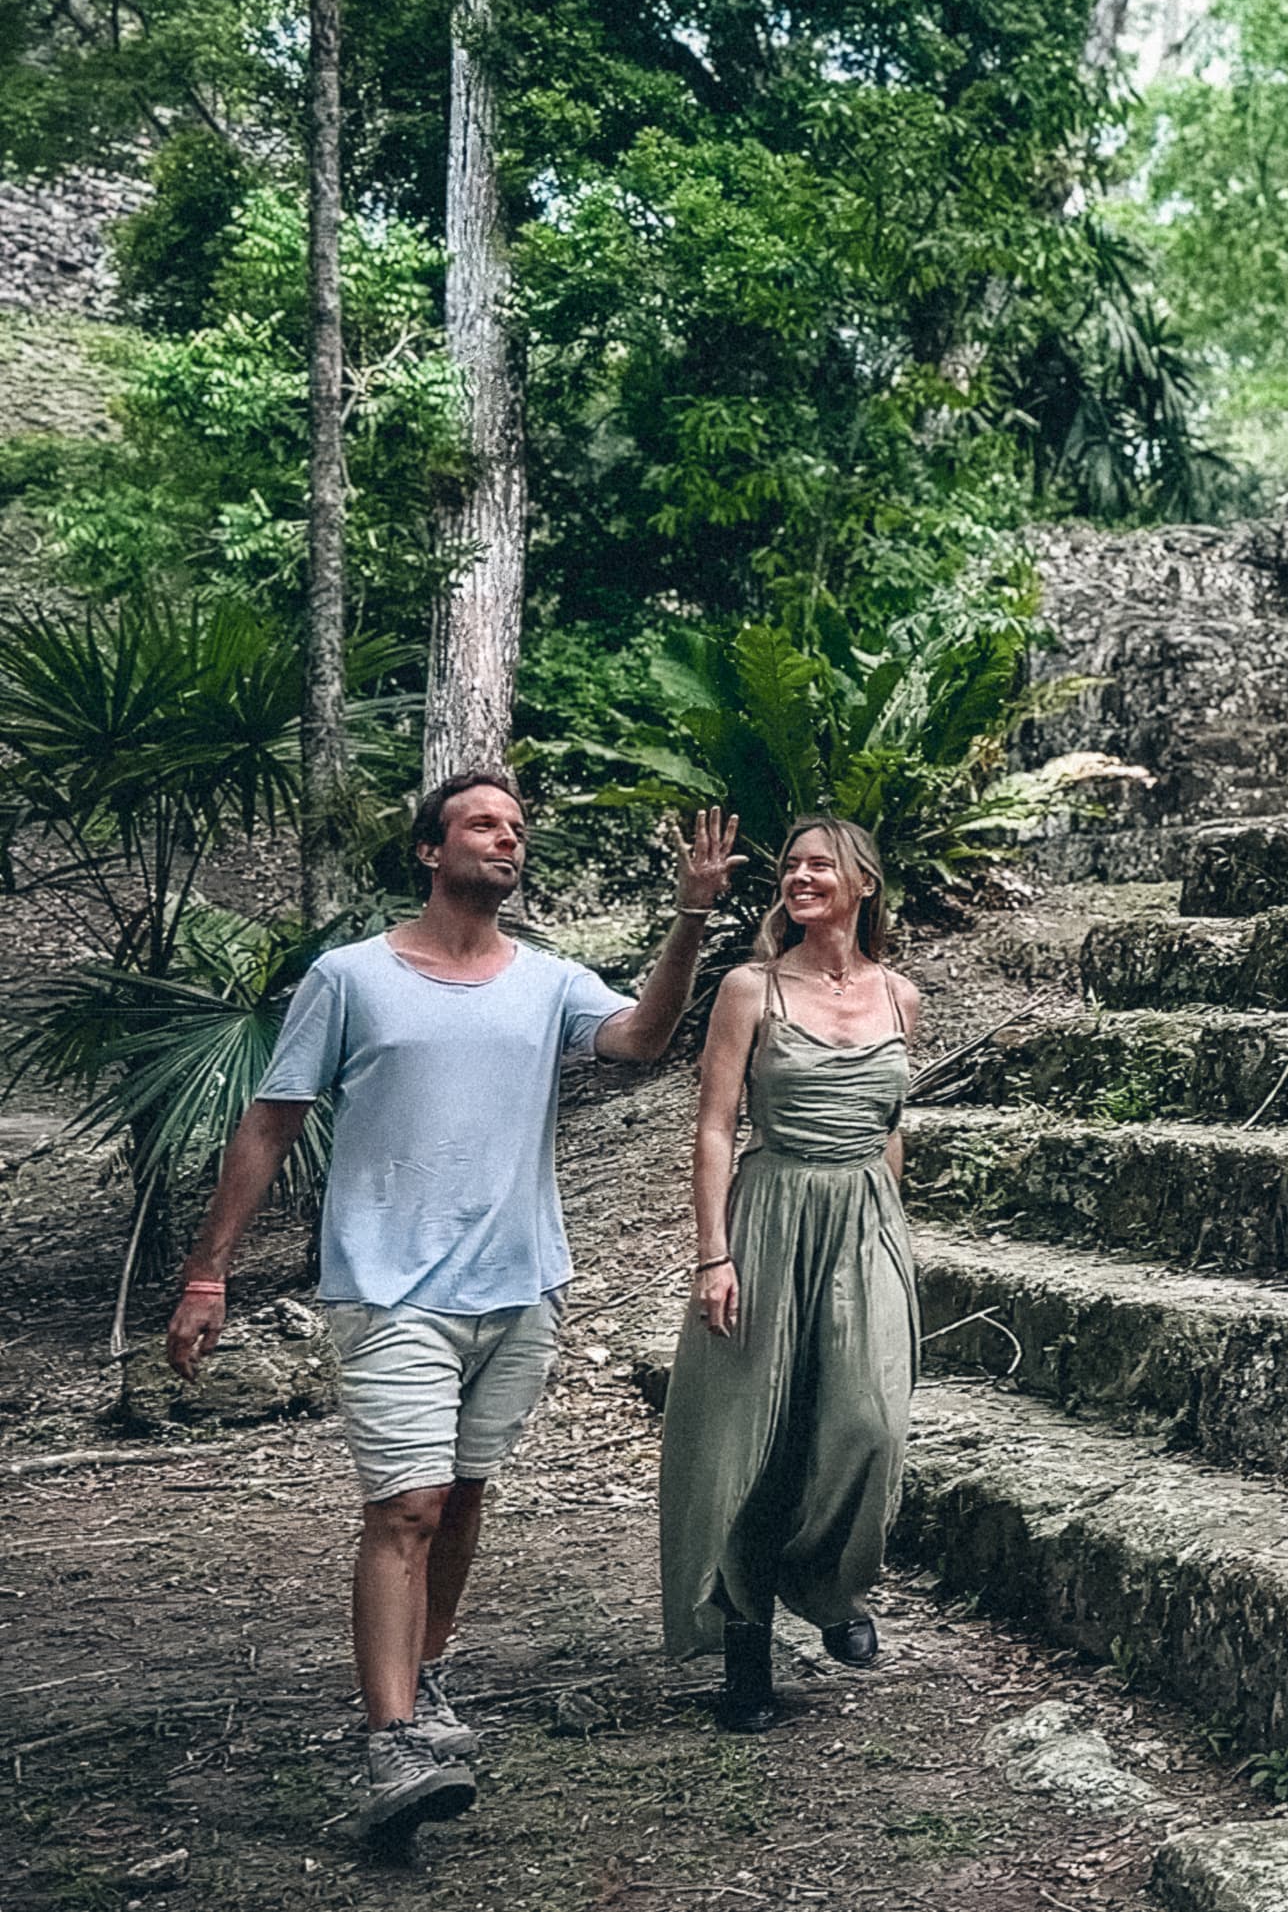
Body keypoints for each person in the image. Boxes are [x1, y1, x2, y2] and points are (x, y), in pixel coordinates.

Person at [165, 772, 742, 1849]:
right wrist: (210, 1273)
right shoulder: (348, 977)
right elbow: (270, 1121)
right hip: (388, 1286)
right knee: (407, 1506)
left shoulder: (547, 978)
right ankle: (390, 1740)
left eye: (518, 828)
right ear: (430, 850)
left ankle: (423, 1681)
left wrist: (691, 915)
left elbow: (641, 1039)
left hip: (520, 1285)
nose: (507, 838)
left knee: (464, 1494)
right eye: (484, 822)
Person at [656, 816, 921, 1732]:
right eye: (791, 866)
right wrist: (714, 1253)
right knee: (753, 1435)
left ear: (864, 884)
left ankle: (830, 1585)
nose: (800, 877)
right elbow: (716, 1127)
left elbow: (890, 1125)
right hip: (769, 1215)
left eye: (820, 865)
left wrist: (890, 1233)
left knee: (871, 1423)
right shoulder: (749, 988)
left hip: (865, 1222)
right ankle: (746, 1665)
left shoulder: (900, 998)